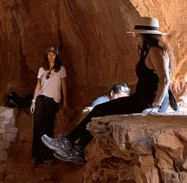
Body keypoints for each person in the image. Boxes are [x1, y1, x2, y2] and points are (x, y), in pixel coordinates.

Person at [43, 17, 175, 164]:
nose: (135, 38)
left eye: (137, 35)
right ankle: (77, 148)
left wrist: (155, 107)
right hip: (142, 98)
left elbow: (164, 79)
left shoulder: (156, 51)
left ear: (145, 36)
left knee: (100, 109)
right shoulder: (149, 50)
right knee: (100, 111)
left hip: (148, 102)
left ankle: (69, 143)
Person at [31, 46, 67, 163]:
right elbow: (38, 86)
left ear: (57, 56)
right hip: (41, 99)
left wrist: (65, 101)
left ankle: (48, 156)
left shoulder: (61, 69)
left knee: (48, 127)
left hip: (53, 100)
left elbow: (64, 86)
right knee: (37, 127)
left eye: (53, 54)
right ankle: (36, 156)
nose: (51, 56)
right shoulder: (42, 69)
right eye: (49, 54)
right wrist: (33, 101)